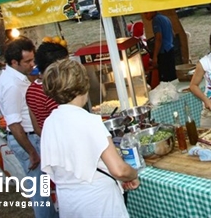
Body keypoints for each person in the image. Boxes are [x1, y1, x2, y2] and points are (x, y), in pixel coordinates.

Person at [41, 59, 139, 218]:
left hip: (69, 204)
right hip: (99, 204)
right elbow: (119, 169)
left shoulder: (49, 123)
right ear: (83, 86)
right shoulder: (90, 121)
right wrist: (133, 174)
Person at [0, 36, 56, 218]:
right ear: (14, 62)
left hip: (31, 137)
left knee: (44, 188)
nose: (32, 64)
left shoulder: (17, 77)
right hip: (26, 139)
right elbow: (14, 124)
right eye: (27, 61)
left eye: (33, 59)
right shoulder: (12, 85)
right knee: (40, 192)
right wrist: (31, 151)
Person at [26, 42, 68, 133]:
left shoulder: (31, 90)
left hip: (47, 138)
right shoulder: (52, 91)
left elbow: (36, 127)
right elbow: (64, 124)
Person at [143, 11, 177, 82]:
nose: (145, 16)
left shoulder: (156, 20)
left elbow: (158, 38)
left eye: (146, 13)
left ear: (152, 11)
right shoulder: (165, 18)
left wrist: (155, 56)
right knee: (172, 77)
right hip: (170, 49)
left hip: (164, 52)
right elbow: (173, 34)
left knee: (165, 80)